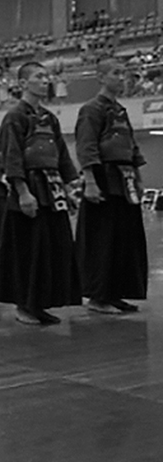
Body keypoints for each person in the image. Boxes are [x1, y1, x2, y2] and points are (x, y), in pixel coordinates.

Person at [0, 62, 81, 325]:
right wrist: (22, 192)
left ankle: (41, 303)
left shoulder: (49, 118)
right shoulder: (14, 117)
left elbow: (62, 156)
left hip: (52, 189)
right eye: (39, 77)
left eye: (47, 77)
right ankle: (24, 305)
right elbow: (12, 157)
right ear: (22, 84)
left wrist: (71, 187)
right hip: (29, 190)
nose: (46, 81)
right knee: (28, 249)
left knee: (53, 247)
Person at [74, 58, 149, 314]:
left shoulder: (120, 110)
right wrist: (91, 182)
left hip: (124, 181)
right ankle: (98, 296)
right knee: (102, 240)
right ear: (101, 77)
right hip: (103, 179)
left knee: (124, 239)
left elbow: (132, 146)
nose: (122, 77)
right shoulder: (91, 109)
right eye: (116, 73)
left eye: (124, 73)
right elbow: (86, 146)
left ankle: (116, 292)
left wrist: (138, 179)